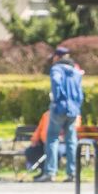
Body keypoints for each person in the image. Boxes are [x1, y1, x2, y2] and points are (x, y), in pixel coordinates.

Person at [35, 47, 84, 183]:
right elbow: (80, 92)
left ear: (57, 57)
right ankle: (72, 173)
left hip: (59, 108)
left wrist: (57, 99)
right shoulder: (76, 71)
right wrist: (76, 105)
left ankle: (50, 173)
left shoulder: (56, 69)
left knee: (52, 138)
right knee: (71, 140)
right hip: (73, 109)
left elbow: (56, 83)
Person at [25, 110, 81, 179]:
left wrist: (63, 137)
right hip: (44, 142)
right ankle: (44, 171)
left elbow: (74, 130)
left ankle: (51, 172)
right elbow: (39, 129)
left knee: (55, 151)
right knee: (30, 151)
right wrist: (34, 139)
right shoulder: (47, 114)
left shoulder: (73, 113)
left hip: (61, 143)